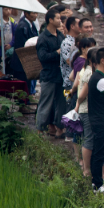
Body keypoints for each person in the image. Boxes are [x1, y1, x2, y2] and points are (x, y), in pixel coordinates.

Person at [82, 47, 104, 194]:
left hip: (96, 119)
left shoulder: (95, 77)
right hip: (101, 120)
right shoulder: (101, 80)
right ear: (102, 60)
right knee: (100, 153)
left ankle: (97, 182)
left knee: (98, 151)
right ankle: (97, 185)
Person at [35, 8, 66, 137]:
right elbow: (42, 57)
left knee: (61, 103)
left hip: (60, 75)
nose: (60, 21)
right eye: (58, 18)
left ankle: (60, 127)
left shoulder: (60, 36)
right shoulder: (43, 38)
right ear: (50, 20)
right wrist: (57, 53)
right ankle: (40, 129)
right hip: (48, 75)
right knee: (45, 103)